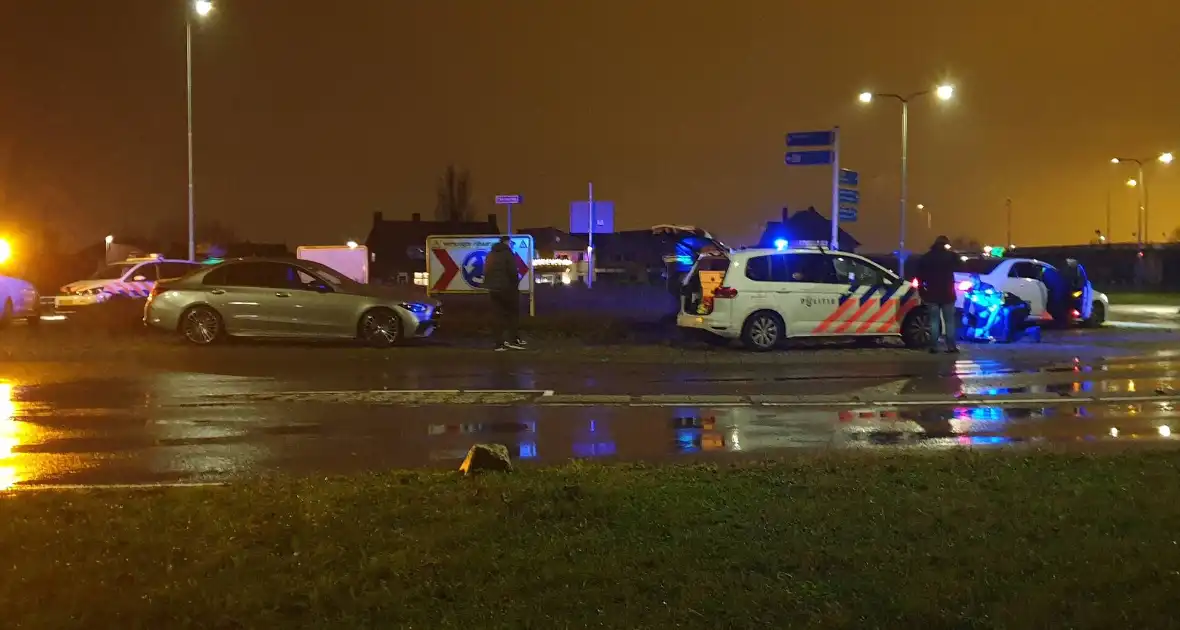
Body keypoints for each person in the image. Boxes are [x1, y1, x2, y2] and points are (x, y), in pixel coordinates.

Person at [915, 235, 961, 353]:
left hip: (932, 294)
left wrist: (922, 291)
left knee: (934, 321)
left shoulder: (927, 257)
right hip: (948, 294)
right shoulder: (950, 256)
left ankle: (934, 346)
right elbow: (961, 265)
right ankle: (951, 346)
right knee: (949, 321)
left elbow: (919, 276)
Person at [484, 236, 526, 351]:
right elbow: (513, 272)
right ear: (507, 242)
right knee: (512, 314)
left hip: (493, 289)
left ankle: (499, 343)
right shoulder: (508, 254)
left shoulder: (490, 254)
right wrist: (515, 284)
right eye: (511, 243)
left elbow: (487, 271)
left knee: (497, 315)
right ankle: (513, 339)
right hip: (507, 289)